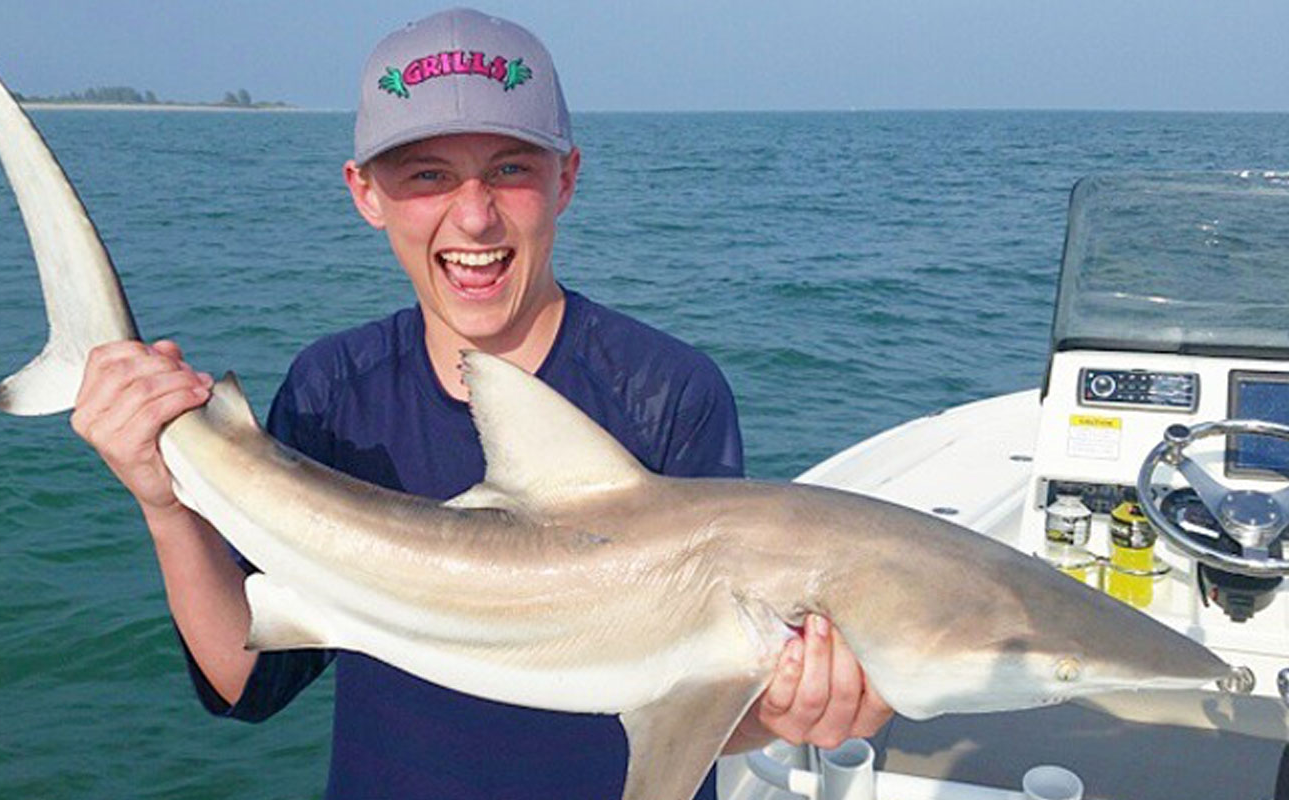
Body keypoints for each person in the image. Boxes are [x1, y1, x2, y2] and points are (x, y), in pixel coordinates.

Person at [69, 8, 891, 799]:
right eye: (427, 175)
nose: (473, 215)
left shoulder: (668, 393)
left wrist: (784, 712)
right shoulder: (332, 392)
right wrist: (166, 504)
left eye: (510, 168)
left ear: (565, 178)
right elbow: (249, 679)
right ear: (365, 193)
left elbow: (697, 697)